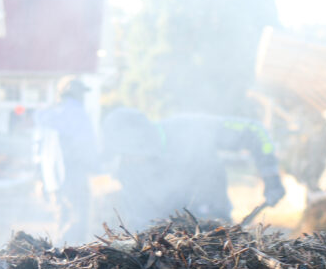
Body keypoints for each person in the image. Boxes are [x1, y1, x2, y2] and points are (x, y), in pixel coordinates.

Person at [100, 108, 286, 230]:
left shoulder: (191, 128)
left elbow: (255, 131)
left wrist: (271, 178)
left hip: (214, 227)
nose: (128, 159)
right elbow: (139, 220)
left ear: (141, 141)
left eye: (128, 152)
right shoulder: (129, 171)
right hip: (167, 244)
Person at [35, 76, 99, 245]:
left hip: (53, 179)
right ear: (76, 93)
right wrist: (96, 167)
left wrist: (39, 177)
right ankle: (71, 261)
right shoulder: (78, 113)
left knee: (61, 219)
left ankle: (58, 259)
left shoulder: (46, 115)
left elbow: (38, 149)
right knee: (77, 220)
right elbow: (87, 146)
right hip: (74, 175)